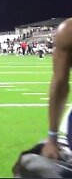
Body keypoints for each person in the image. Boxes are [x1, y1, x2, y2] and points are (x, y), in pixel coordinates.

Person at [41, 18, 72, 159]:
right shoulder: (67, 31)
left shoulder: (68, 30)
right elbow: (60, 84)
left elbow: (60, 85)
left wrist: (52, 138)